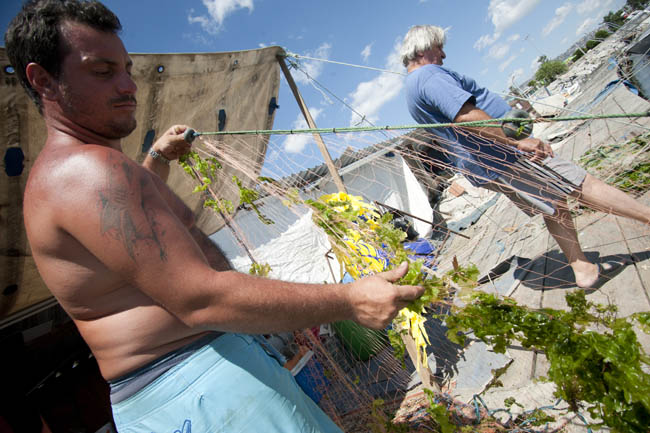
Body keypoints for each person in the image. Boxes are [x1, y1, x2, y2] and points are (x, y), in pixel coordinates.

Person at [5, 1, 425, 431]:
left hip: (193, 383)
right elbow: (200, 298)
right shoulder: (86, 171)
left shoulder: (89, 174)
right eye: (102, 71)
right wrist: (350, 300)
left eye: (127, 69)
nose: (129, 85)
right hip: (195, 386)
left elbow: (137, 241)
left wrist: (156, 158)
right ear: (44, 80)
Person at [401, 24, 650, 289]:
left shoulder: (412, 88)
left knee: (553, 203)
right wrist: (517, 141)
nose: (443, 55)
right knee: (581, 183)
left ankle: (583, 268)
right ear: (423, 49)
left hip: (489, 160)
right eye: (439, 47)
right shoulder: (428, 76)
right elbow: (466, 116)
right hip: (503, 153)